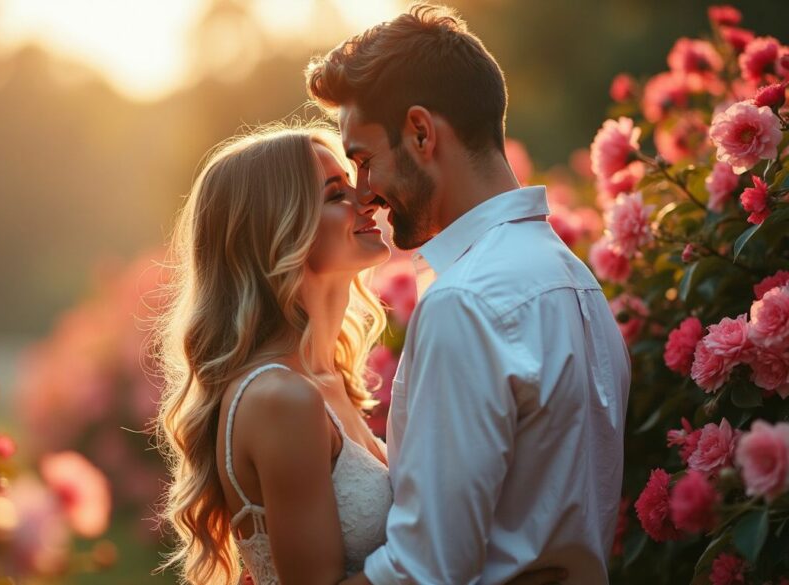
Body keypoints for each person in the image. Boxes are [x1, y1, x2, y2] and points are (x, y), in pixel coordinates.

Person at [154, 124, 568, 585]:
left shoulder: (326, 382)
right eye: (336, 195)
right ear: (280, 230)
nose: (368, 198)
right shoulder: (280, 398)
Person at [305, 4, 631, 584]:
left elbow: (424, 571)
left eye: (363, 160)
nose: (365, 194)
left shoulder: (466, 303)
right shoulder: (576, 281)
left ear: (421, 132)